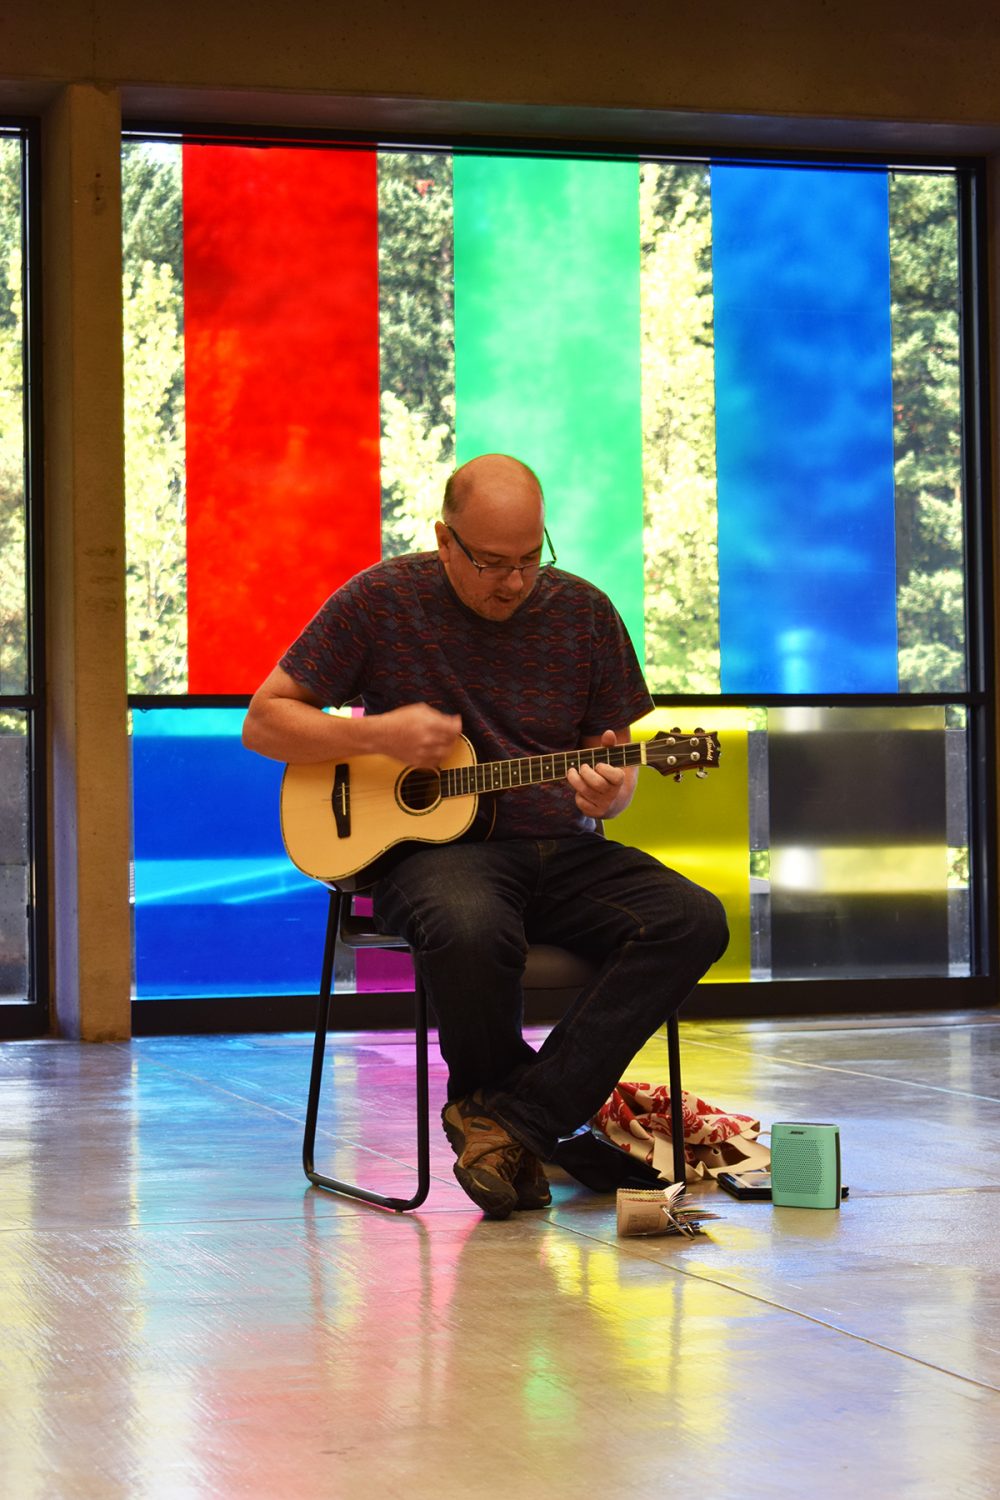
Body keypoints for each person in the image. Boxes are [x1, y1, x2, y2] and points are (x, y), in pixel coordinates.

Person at [243, 453, 729, 1218]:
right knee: (469, 924)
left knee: (692, 919)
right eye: (493, 563)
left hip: (563, 850)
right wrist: (379, 738)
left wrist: (617, 786)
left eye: (531, 560)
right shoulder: (382, 600)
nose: (514, 581)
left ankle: (510, 1124)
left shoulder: (585, 613)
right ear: (445, 541)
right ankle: (537, 1128)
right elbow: (264, 720)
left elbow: (616, 765)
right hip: (433, 856)